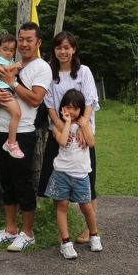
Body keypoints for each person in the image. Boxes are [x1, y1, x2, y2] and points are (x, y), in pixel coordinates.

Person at [0, 22, 51, 252]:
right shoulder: (6, 63)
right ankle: (10, 229)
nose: (23, 44)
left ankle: (28, 233)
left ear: (38, 43)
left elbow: (35, 99)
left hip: (22, 132)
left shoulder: (41, 68)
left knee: (22, 182)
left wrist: (11, 82)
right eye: (21, 39)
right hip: (2, 129)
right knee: (6, 181)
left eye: (29, 40)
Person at [37, 30, 99, 244]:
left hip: (83, 134)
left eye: (67, 47)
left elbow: (89, 102)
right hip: (60, 132)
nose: (63, 51)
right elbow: (50, 106)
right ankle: (62, 231)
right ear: (53, 50)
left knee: (88, 181)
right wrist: (62, 127)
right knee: (57, 181)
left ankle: (88, 229)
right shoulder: (49, 75)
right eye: (58, 47)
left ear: (74, 49)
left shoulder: (84, 72)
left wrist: (81, 127)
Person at [44, 88, 102, 259]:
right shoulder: (57, 126)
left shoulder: (85, 124)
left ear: (81, 109)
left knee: (86, 207)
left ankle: (94, 235)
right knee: (61, 206)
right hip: (61, 173)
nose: (71, 111)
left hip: (81, 174)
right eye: (67, 107)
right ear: (62, 108)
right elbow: (62, 142)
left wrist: (84, 125)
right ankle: (65, 242)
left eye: (75, 108)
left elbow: (91, 143)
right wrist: (68, 123)